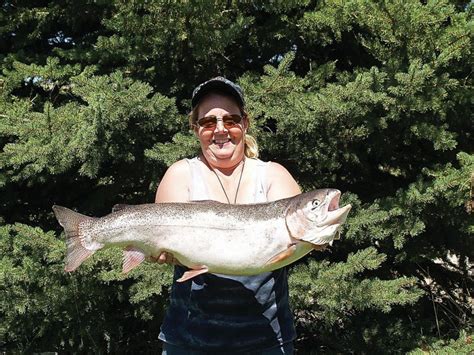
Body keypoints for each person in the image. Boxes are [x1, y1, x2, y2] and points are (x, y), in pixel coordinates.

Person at [155, 77, 301, 354]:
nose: (220, 130)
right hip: (188, 341)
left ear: (245, 124)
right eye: (209, 122)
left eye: (231, 120)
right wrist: (156, 251)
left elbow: (300, 234)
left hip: (267, 342)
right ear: (195, 128)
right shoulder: (180, 175)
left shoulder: (273, 176)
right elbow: (162, 246)